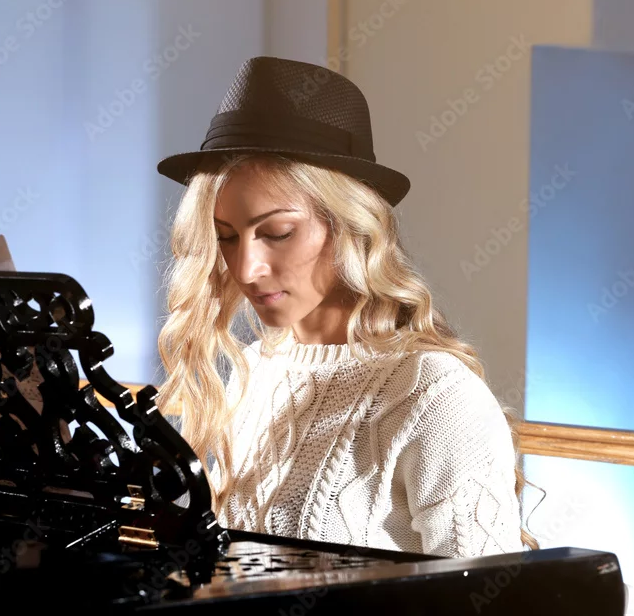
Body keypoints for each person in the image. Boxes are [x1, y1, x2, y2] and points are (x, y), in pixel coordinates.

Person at [153, 56, 539, 558]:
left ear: (348, 226)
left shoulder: (433, 393)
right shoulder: (254, 370)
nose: (246, 268)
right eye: (226, 237)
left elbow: (487, 595)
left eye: (277, 232)